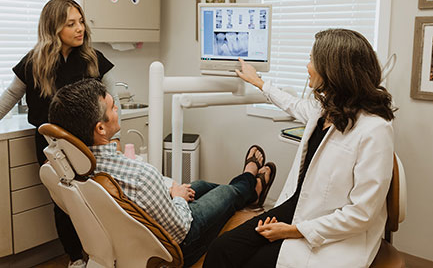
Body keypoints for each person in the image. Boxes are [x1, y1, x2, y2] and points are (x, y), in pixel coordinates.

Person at [203, 28, 397, 267]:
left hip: (331, 229)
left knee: (252, 262)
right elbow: (293, 104)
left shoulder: (374, 129)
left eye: (312, 60)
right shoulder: (326, 109)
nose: (307, 66)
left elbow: (362, 214)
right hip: (297, 207)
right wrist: (258, 82)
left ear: (333, 70)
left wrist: (295, 230)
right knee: (222, 249)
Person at [47, 79, 277, 267]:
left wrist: (171, 192)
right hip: (177, 246)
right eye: (112, 108)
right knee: (226, 192)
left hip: (133, 236)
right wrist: (176, 198)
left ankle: (247, 190)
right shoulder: (140, 175)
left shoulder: (75, 169)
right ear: (100, 128)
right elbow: (180, 229)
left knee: (201, 185)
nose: (117, 108)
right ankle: (249, 185)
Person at [0, 0, 121, 268]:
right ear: (53, 28)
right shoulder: (34, 62)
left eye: (81, 21)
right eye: (71, 24)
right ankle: (75, 258)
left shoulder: (92, 59)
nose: (80, 28)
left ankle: (106, 256)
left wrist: (115, 137)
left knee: (99, 200)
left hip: (91, 143)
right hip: (52, 147)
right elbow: (10, 95)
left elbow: (112, 100)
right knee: (66, 204)